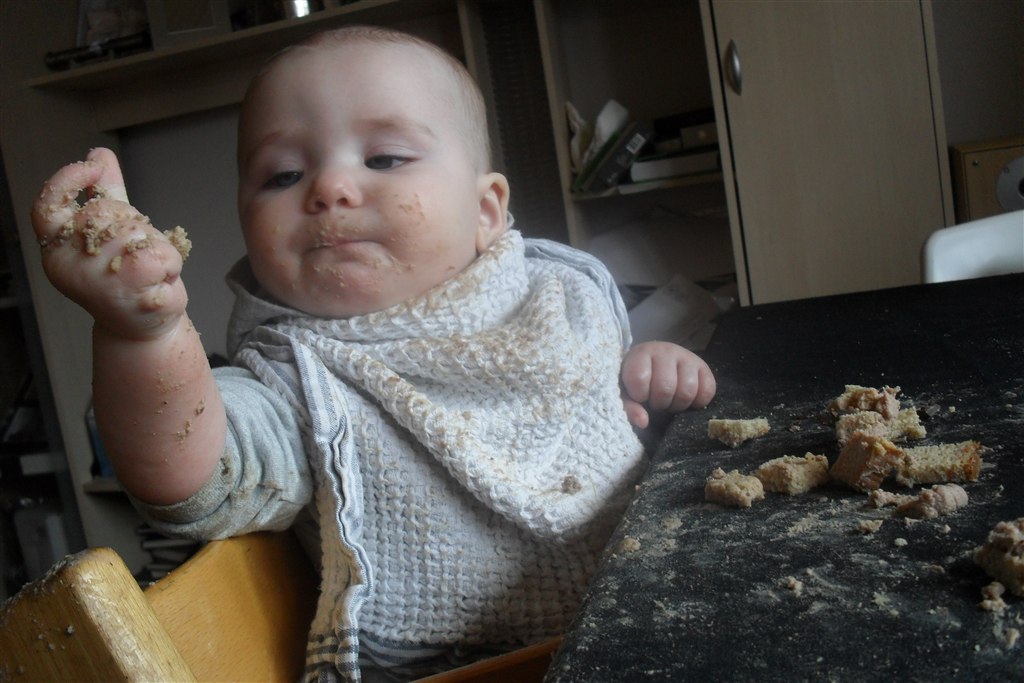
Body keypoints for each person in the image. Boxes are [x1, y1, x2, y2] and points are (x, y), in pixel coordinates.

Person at [32, 26, 715, 681]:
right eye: (283, 175)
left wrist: (647, 374)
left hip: (658, 606)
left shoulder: (554, 295)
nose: (329, 189)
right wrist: (144, 334)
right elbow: (191, 480)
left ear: (486, 211)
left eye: (384, 159)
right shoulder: (292, 378)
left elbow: (608, 413)